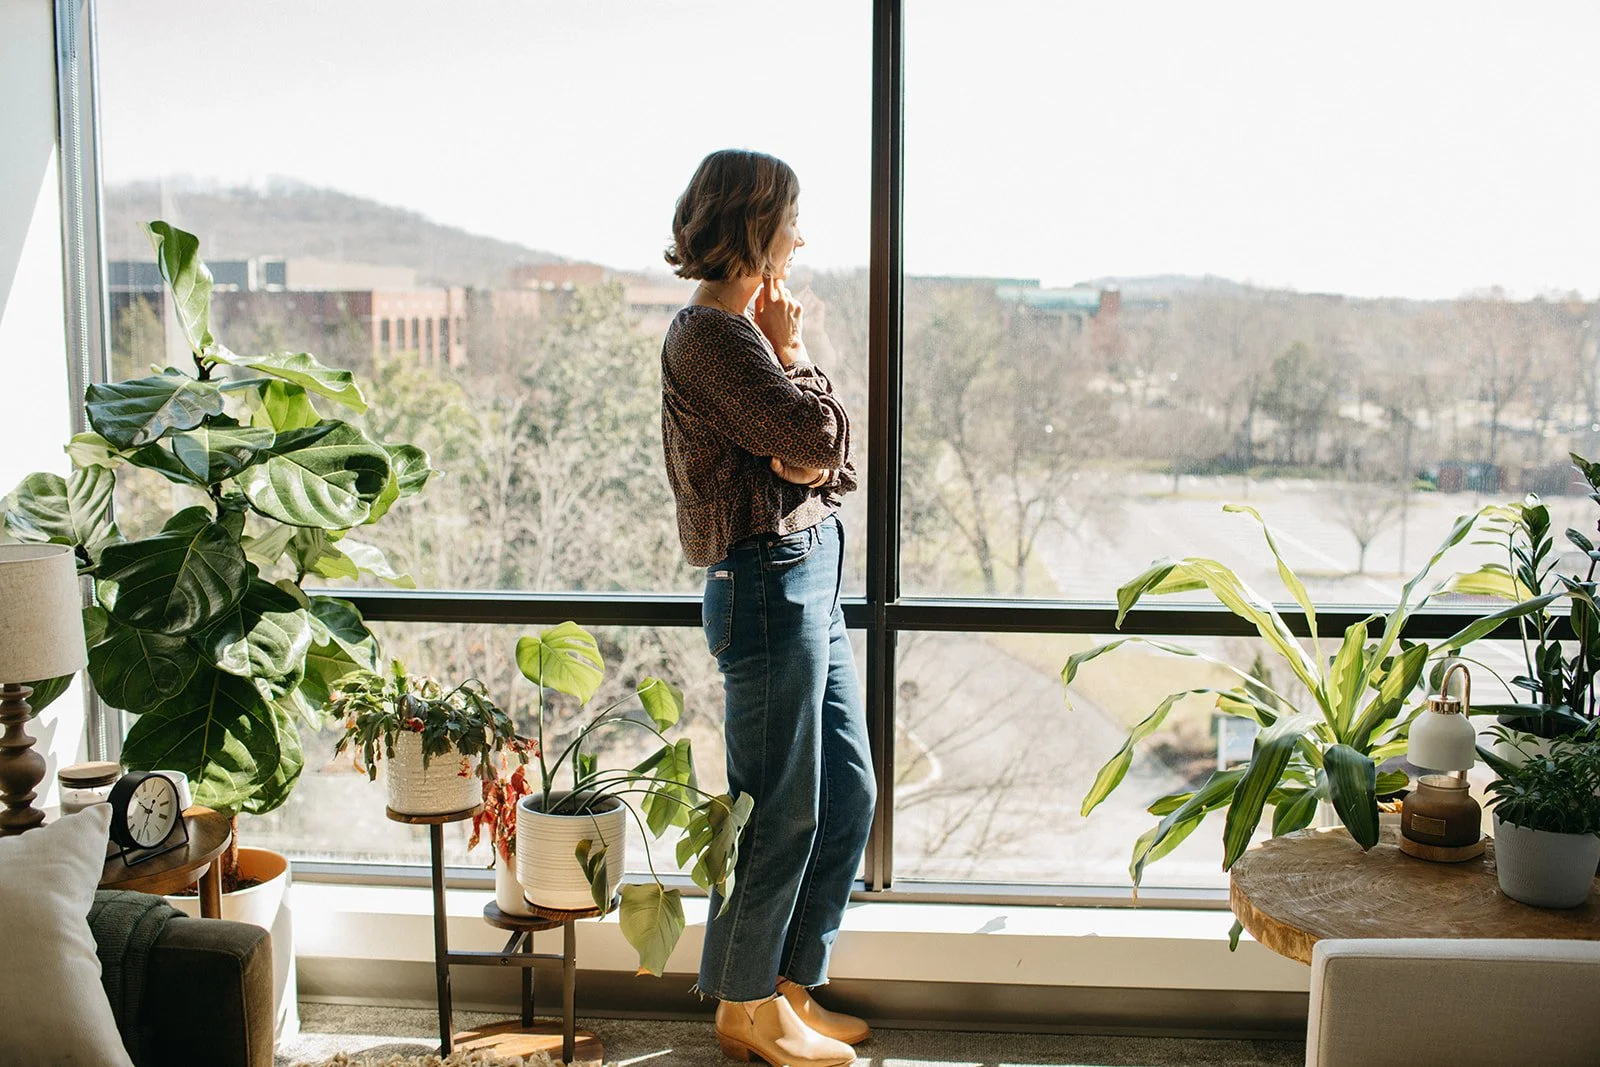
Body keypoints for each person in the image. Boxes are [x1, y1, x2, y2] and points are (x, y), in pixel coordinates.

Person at [659, 148, 874, 1067]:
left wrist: (806, 442)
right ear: (754, 226)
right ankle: (746, 1004)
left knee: (848, 790)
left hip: (809, 572)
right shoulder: (713, 338)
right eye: (791, 217)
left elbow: (829, 462)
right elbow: (817, 437)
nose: (801, 234)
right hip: (766, 580)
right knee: (779, 807)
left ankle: (789, 983)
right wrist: (795, 359)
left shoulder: (739, 337)